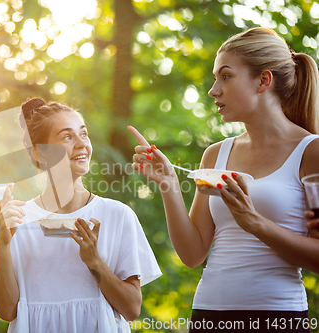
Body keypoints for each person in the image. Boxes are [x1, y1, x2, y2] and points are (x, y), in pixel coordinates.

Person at [130, 27, 319, 332]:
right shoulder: (215, 154)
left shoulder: (311, 151)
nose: (213, 89)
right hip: (209, 315)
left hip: (277, 318)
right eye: (215, 78)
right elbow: (193, 254)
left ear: (264, 80)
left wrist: (255, 222)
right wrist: (168, 184)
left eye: (226, 76)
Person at [0, 98, 161, 332]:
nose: (82, 144)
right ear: (40, 154)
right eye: (67, 137)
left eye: (84, 134)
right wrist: (2, 245)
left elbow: (132, 309)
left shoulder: (118, 215)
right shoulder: (16, 220)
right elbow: (7, 311)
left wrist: (94, 261)